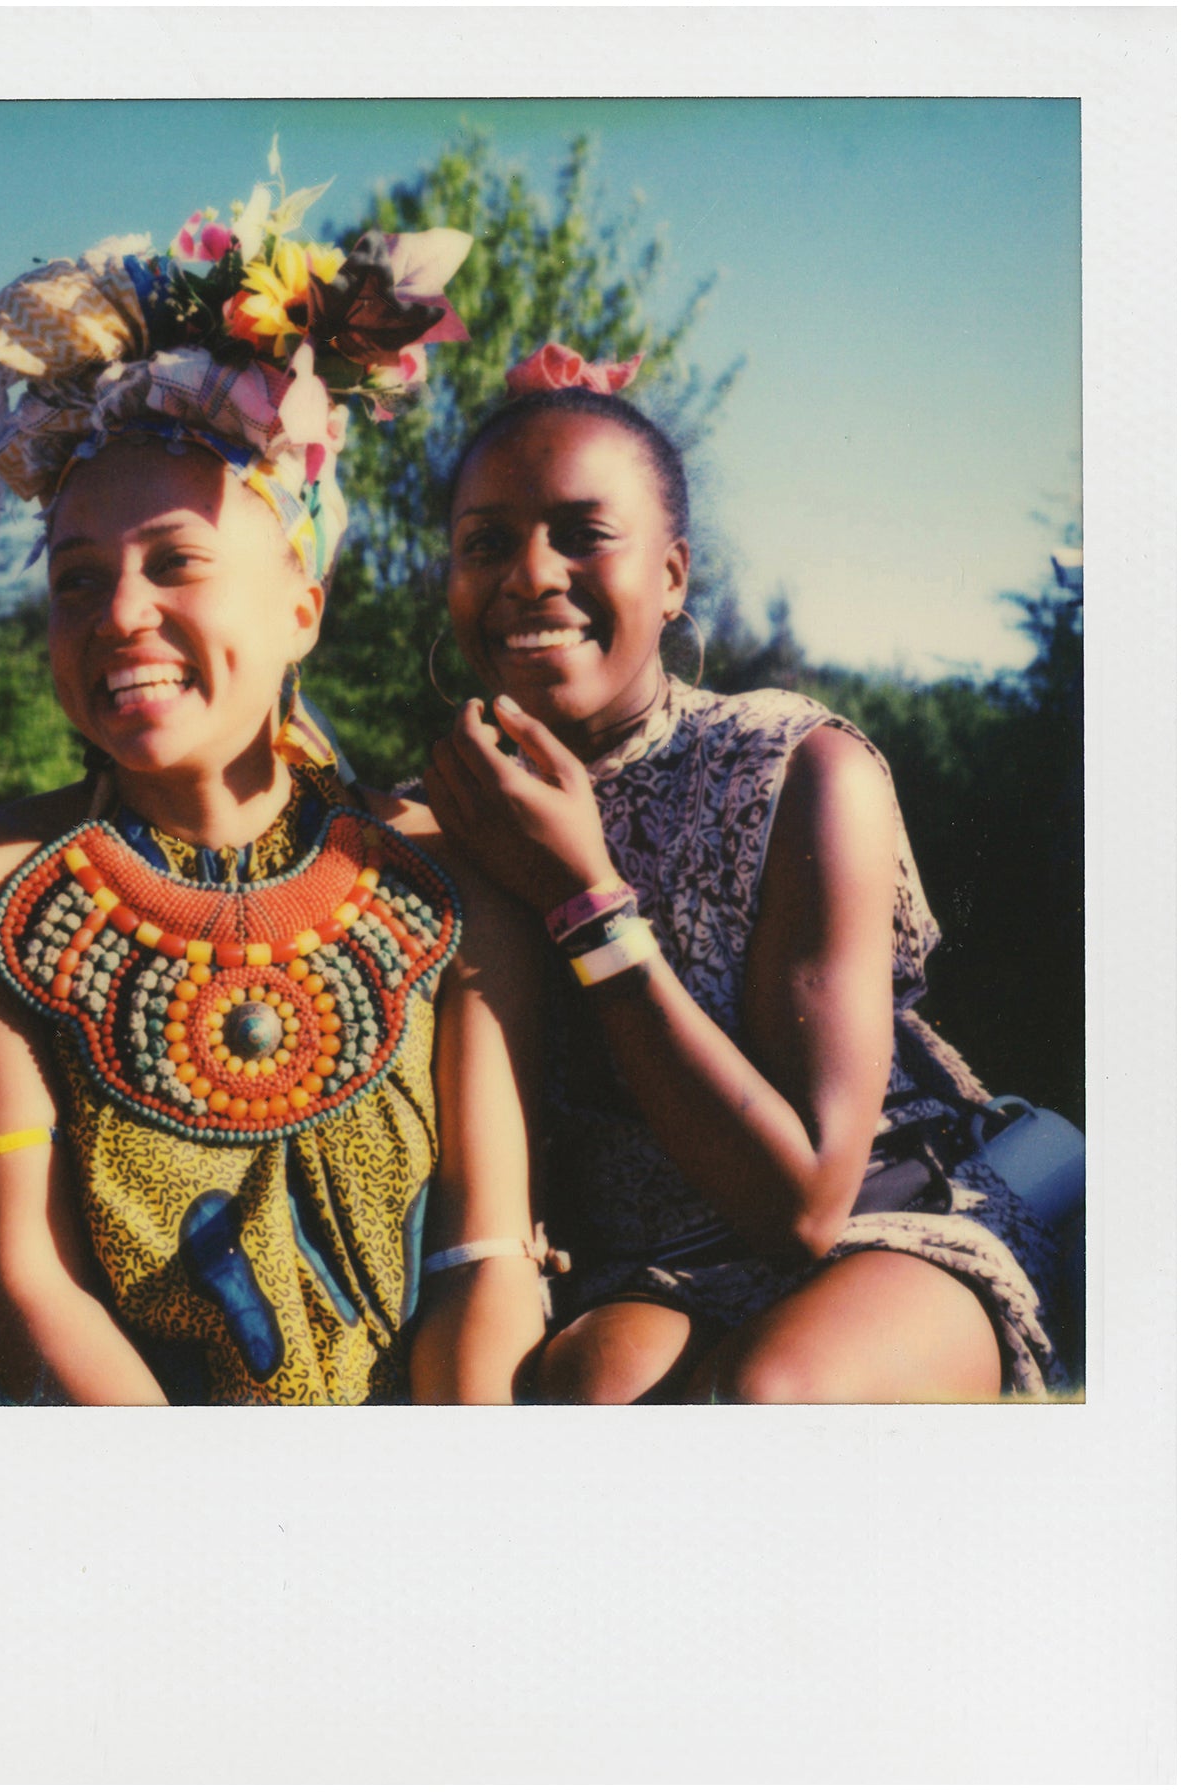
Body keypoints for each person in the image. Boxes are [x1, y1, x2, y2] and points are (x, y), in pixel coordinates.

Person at [0, 170, 546, 1405]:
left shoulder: (442, 871)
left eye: (176, 562)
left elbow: (484, 1262)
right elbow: (33, 1287)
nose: (119, 613)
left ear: (301, 609)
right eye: (76, 580)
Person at [425, 342, 1068, 1401]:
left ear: (671, 576)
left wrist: (584, 901)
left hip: (882, 1225)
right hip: (651, 1269)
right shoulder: (446, 815)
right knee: (585, 1391)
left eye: (583, 534)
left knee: (766, 1399)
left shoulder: (793, 769)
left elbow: (803, 1203)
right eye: (484, 542)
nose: (529, 575)